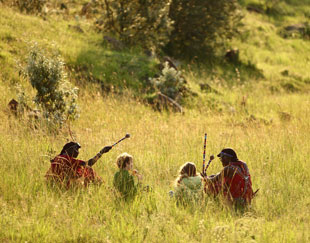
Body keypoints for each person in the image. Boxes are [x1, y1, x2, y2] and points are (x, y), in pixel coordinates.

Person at [45, 141, 112, 188]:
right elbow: (89, 163)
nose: (78, 152)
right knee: (88, 169)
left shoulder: (58, 157)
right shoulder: (66, 158)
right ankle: (102, 186)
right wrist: (101, 152)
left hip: (56, 185)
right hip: (64, 185)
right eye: (76, 149)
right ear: (70, 149)